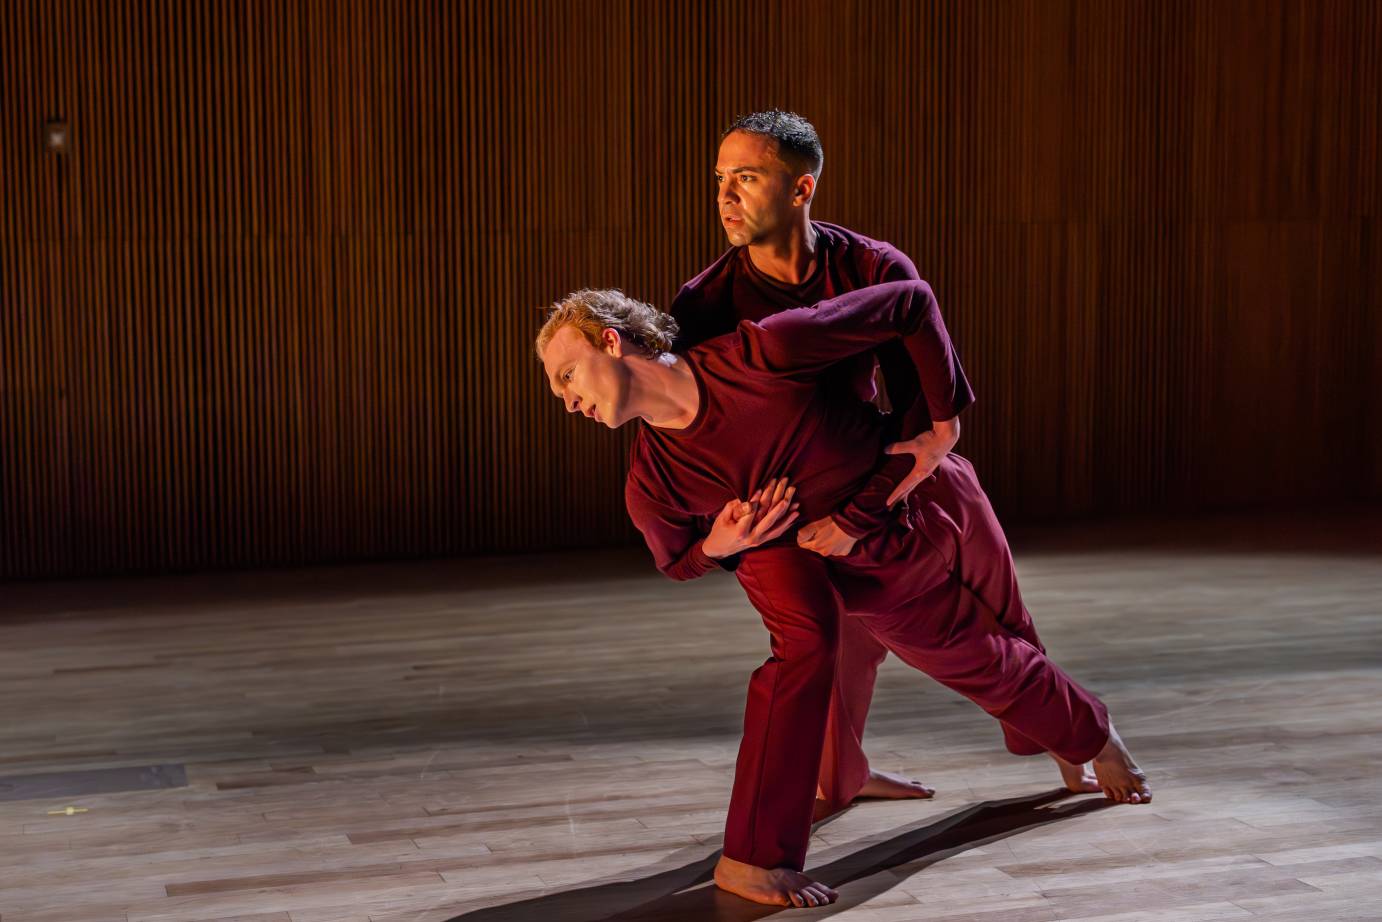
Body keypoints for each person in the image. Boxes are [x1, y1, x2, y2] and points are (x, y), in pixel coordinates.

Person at [535, 282, 1152, 908]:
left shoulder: (760, 355)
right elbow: (677, 561)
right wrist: (718, 544)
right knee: (895, 652)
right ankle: (1095, 737)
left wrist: (942, 426)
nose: (565, 401)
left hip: (914, 513)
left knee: (993, 639)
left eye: (566, 376)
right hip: (831, 567)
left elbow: (909, 301)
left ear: (610, 341)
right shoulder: (653, 481)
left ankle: (1076, 737)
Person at [672, 109, 945, 817]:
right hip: (775, 506)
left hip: (869, 479)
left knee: (880, 638)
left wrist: (863, 509)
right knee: (817, 641)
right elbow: (700, 434)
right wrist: (732, 535)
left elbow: (922, 420)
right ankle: (822, 790)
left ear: (801, 190)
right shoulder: (704, 303)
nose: (726, 196)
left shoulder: (876, 269)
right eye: (720, 179)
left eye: (748, 178)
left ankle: (846, 776)